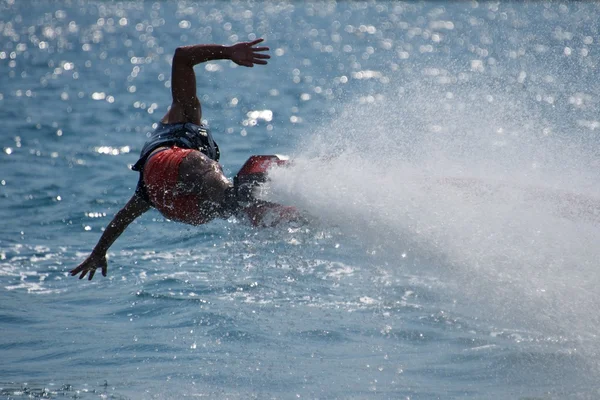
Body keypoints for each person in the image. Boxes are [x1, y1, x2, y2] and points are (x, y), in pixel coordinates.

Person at [70, 39, 271, 281]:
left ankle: (271, 210)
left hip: (170, 202)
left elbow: (124, 216)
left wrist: (99, 251)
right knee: (227, 194)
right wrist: (228, 53)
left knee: (230, 204)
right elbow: (182, 56)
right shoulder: (183, 114)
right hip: (170, 176)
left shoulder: (175, 144)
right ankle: (267, 196)